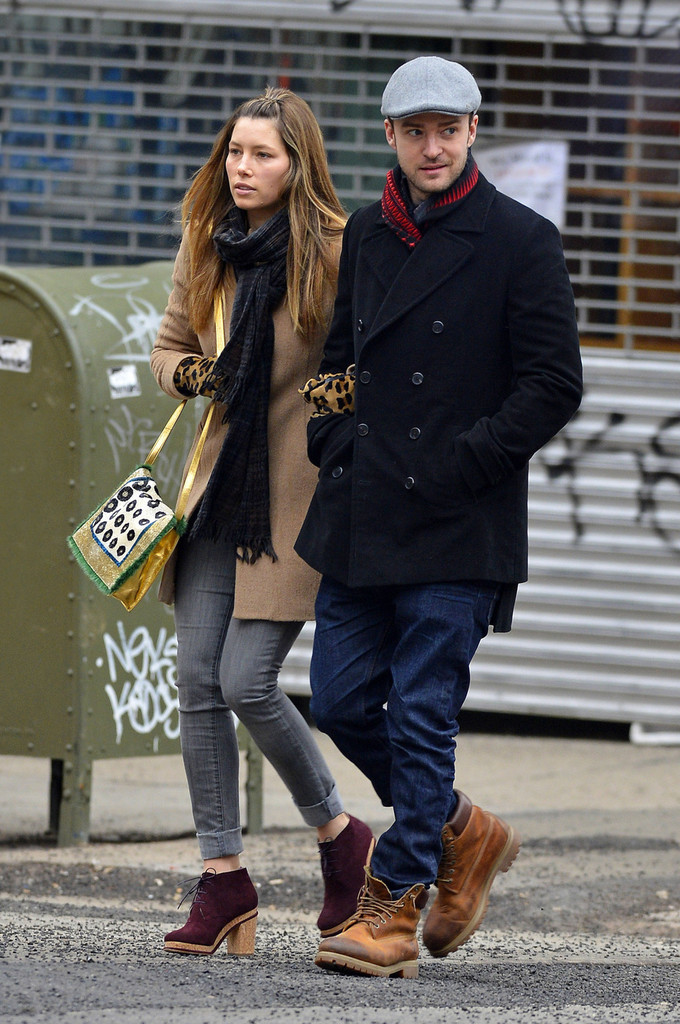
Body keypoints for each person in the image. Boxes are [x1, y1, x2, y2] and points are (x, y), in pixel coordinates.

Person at [295, 56, 583, 978]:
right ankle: (462, 826)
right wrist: (331, 439)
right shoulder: (366, 232)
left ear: (471, 131)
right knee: (340, 701)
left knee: (422, 713)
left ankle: (394, 902)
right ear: (389, 135)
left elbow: (554, 384)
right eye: (415, 131)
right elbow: (339, 360)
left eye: (448, 130)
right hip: (364, 508)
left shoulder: (521, 239)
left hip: (460, 520)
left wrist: (467, 462)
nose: (432, 147)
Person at [150, 87, 374, 958]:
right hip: (215, 490)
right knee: (195, 683)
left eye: (262, 155)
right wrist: (190, 375)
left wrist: (341, 398)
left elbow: (366, 356)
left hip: (294, 495)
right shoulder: (208, 242)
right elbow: (169, 344)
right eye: (235, 152)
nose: (242, 169)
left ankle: (340, 836)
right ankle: (223, 879)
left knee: (245, 680)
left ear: (298, 165)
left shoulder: (339, 250)